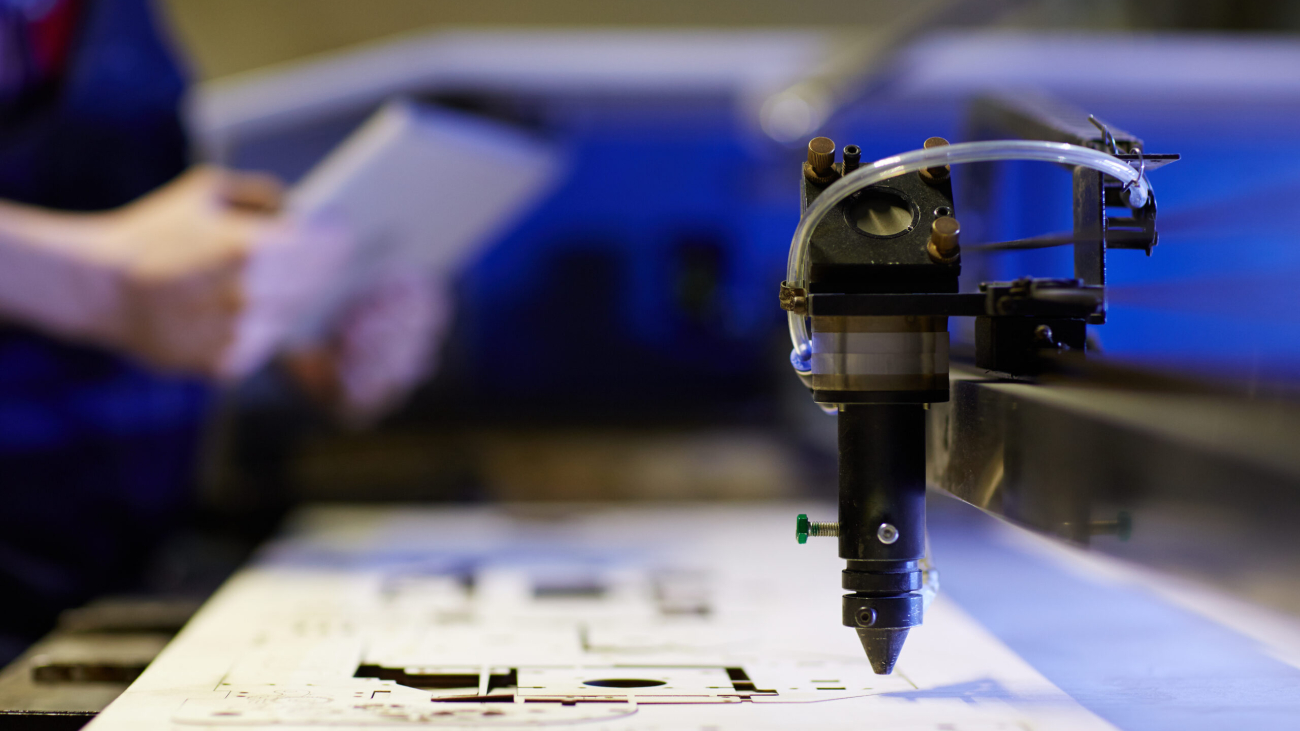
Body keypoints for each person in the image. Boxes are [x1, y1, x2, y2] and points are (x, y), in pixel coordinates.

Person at [0, 0, 444, 659]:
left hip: (112, 566)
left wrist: (286, 322)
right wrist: (96, 280)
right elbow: (120, 270)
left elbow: (139, 234)